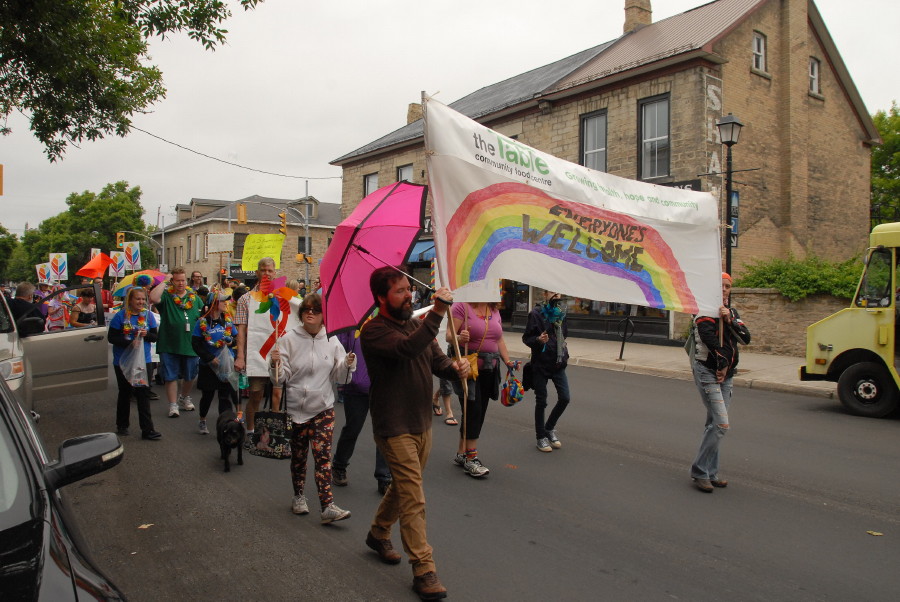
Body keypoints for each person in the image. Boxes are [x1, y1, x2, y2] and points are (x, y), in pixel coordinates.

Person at [360, 266, 469, 601]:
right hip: (394, 427)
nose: (409, 295)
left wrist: (456, 367)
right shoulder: (374, 331)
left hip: (422, 421)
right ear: (381, 297)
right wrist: (437, 311)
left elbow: (436, 361)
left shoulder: (415, 324)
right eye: (399, 291)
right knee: (414, 497)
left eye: (409, 288)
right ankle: (424, 569)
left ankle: (379, 533)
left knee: (406, 488)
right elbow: (407, 349)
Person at [268, 293, 355, 524]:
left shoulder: (332, 340)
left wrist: (347, 364)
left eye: (315, 310)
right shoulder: (288, 340)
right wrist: (275, 364)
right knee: (299, 457)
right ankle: (298, 496)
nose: (310, 313)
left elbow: (340, 377)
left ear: (323, 316)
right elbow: (280, 380)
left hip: (323, 408)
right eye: (306, 309)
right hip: (295, 409)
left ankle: (327, 506)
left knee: (323, 457)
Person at [688, 272, 751, 493]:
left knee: (713, 424)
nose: (724, 289)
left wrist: (729, 320)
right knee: (722, 424)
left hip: (728, 375)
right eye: (720, 286)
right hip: (708, 373)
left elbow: (745, 338)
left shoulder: (731, 313)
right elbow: (709, 339)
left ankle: (710, 473)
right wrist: (721, 363)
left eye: (727, 286)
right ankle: (699, 471)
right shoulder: (702, 311)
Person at [446, 301, 515, 477]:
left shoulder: (494, 310)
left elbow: (499, 339)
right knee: (473, 408)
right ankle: (471, 458)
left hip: (490, 369)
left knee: (478, 410)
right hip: (467, 369)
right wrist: (460, 338)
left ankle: (462, 453)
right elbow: (448, 335)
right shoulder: (462, 307)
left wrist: (508, 361)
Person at [332, 329, 392, 495]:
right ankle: (339, 466)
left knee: (383, 431)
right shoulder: (352, 325)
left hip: (381, 386)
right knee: (353, 428)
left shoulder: (385, 321)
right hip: (357, 387)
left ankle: (384, 476)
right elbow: (338, 350)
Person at [234, 258, 283, 429]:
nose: (267, 274)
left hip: (278, 355)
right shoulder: (245, 300)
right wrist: (240, 356)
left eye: (270, 271)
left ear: (275, 273)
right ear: (257, 272)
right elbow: (240, 331)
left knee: (278, 394)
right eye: (263, 270)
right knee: (256, 395)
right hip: (256, 355)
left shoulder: (283, 298)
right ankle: (250, 431)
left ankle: (274, 431)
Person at [107, 287, 161, 440]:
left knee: (143, 393)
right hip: (123, 361)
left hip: (144, 361)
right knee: (125, 392)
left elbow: (154, 336)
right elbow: (112, 338)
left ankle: (147, 430)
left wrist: (147, 334)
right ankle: (122, 425)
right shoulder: (120, 316)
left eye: (143, 299)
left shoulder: (148, 316)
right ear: (130, 300)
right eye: (138, 299)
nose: (141, 302)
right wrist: (129, 341)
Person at [149, 268, 202, 418]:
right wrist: (165, 281)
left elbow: (201, 316)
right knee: (170, 375)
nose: (181, 283)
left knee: (190, 374)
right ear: (173, 281)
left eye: (183, 280)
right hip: (169, 343)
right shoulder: (166, 296)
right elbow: (153, 297)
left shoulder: (194, 297)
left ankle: (184, 397)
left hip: (190, 344)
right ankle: (173, 405)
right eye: (177, 280)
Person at [523, 291, 571, 453]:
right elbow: (527, 338)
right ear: (545, 294)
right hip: (541, 365)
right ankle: (540, 437)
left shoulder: (561, 313)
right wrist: (538, 340)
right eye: (552, 293)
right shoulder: (536, 314)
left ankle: (549, 428)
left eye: (558, 293)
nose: (556, 296)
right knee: (541, 401)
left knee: (565, 398)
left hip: (558, 363)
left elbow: (565, 334)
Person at [191, 291, 238, 435]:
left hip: (225, 365)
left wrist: (231, 342)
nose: (226, 304)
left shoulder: (227, 321)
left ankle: (225, 424)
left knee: (225, 396)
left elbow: (235, 339)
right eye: (223, 301)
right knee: (208, 395)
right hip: (209, 366)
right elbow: (196, 344)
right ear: (214, 304)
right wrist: (209, 358)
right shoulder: (202, 322)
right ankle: (202, 420)